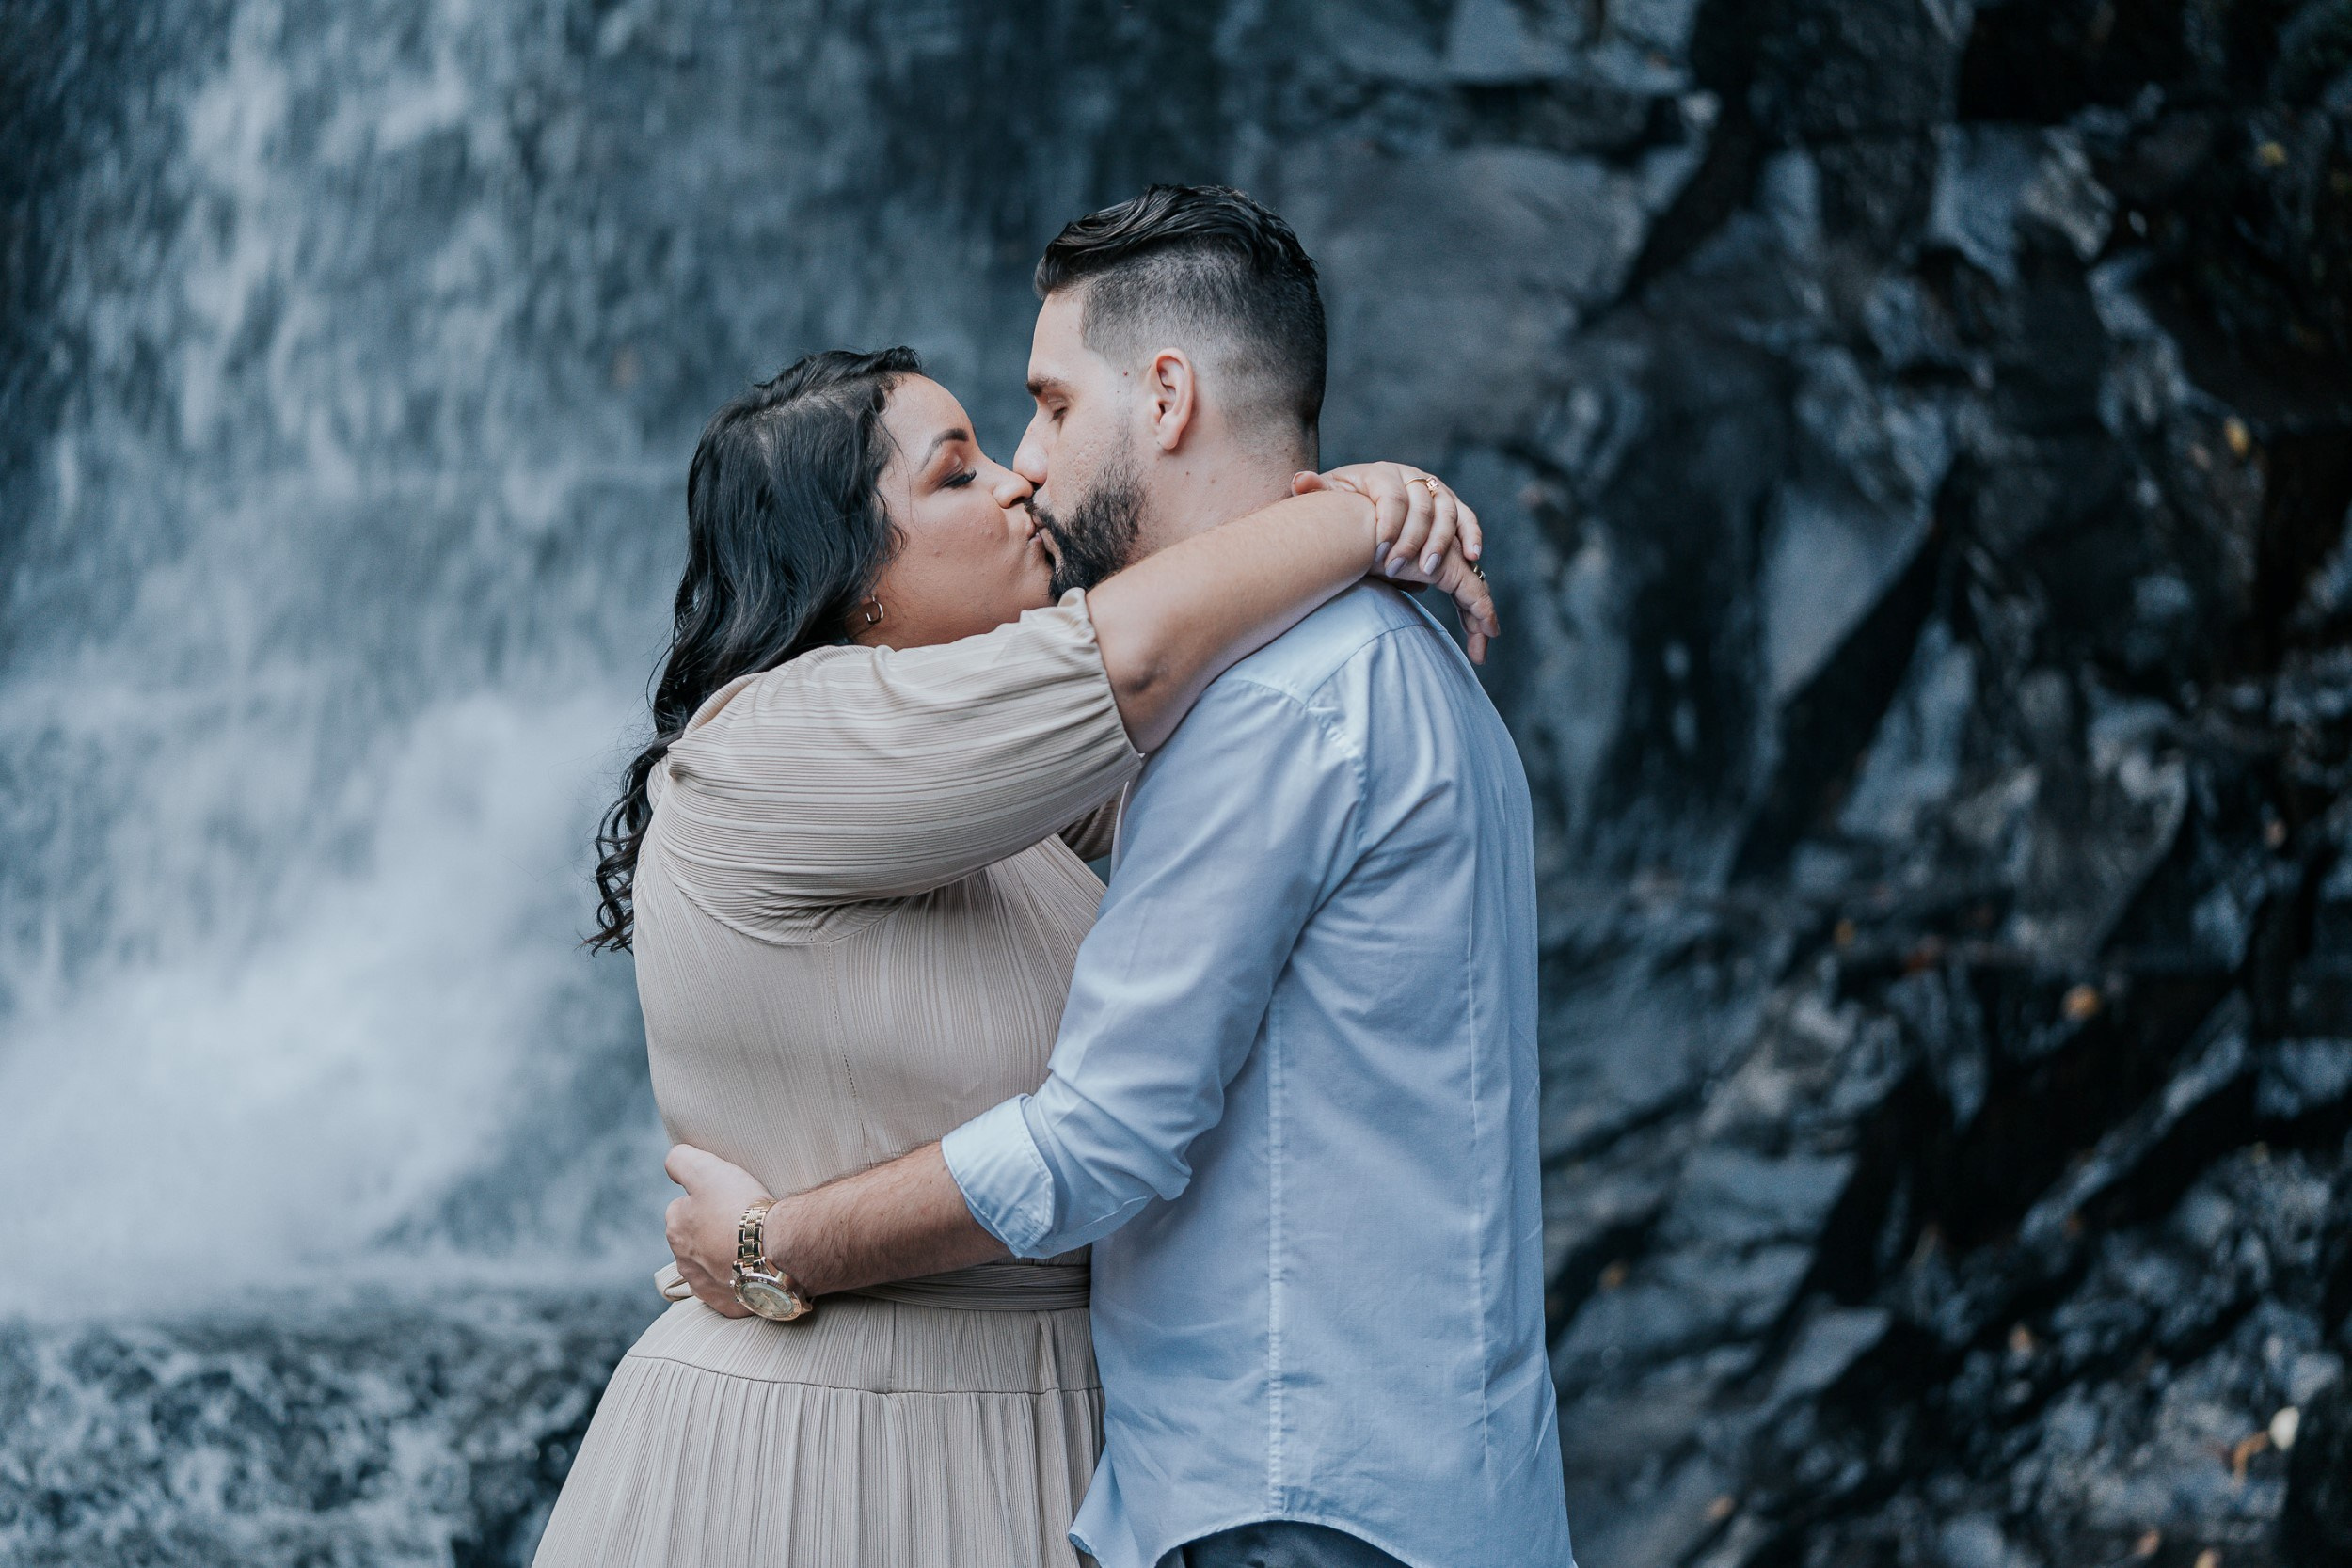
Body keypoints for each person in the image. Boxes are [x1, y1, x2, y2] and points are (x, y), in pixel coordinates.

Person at [663, 187, 1574, 1568]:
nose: (1028, 467)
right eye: (973, 461)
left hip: (1289, 1494)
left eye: (1047, 407)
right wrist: (1363, 509)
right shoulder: (1392, 660)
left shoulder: (1267, 705)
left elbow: (1103, 1137)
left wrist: (771, 1246)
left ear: (1165, 396)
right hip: (1393, 1480)